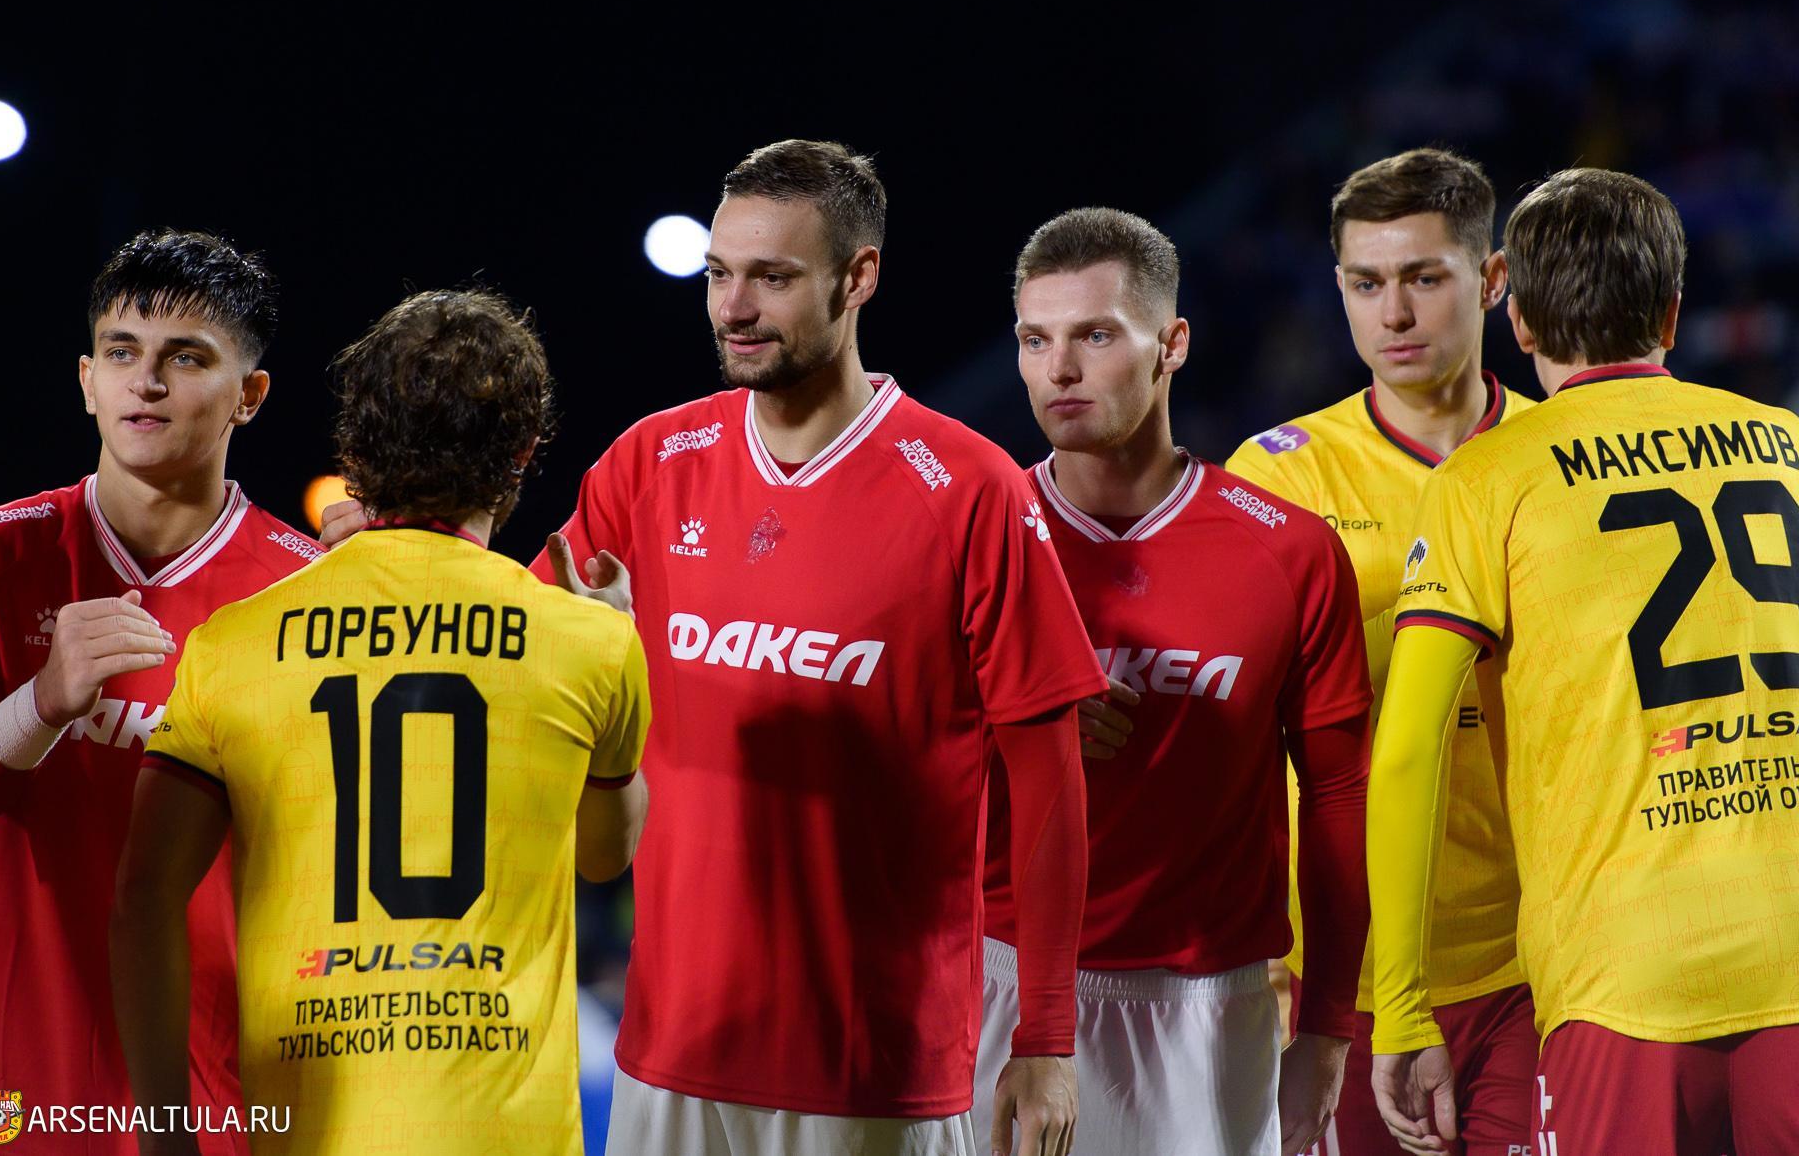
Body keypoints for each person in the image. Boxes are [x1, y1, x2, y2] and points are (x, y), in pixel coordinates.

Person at [543, 140, 1107, 1156]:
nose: (732, 307)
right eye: (719, 274)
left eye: (772, 276)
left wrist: (1046, 1033)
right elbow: (512, 645)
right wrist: (399, 548)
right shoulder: (648, 464)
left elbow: (1049, 781)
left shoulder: (969, 488)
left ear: (858, 277)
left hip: (873, 1066)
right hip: (667, 1052)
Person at [1367, 169, 1799, 1156]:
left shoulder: (1484, 480)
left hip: (1625, 968)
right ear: (1671, 310)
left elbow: (1406, 749)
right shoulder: (1788, 445)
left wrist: (1404, 1005)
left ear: (1518, 321)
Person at [112, 288, 653, 1155]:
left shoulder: (231, 643)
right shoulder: (590, 639)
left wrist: (167, 1138)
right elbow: (604, 855)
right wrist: (616, 640)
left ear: (354, 451)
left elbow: (144, 898)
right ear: (522, 452)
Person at [973, 207, 1371, 1156]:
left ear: (1173, 344)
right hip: (993, 980)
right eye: (1035, 339)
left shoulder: (1290, 552)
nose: (1059, 369)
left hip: (1211, 1007)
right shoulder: (973, 534)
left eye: (1095, 335)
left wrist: (1326, 1026)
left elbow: (1338, 799)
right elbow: (881, 765)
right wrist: (1016, 723)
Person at [0, 232, 316, 1155]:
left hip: (230, 1109)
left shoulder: (308, 589)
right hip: (28, 1103)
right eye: (121, 352)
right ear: (87, 380)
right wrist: (40, 703)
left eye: (185, 357)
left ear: (250, 394)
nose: (145, 382)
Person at [1226, 149, 1537, 1155]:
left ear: (1491, 279)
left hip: (1536, 961)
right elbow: (1230, 734)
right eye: (1365, 284)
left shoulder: (1557, 455)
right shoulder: (1280, 477)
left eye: (1422, 278)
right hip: (1334, 980)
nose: (1392, 313)